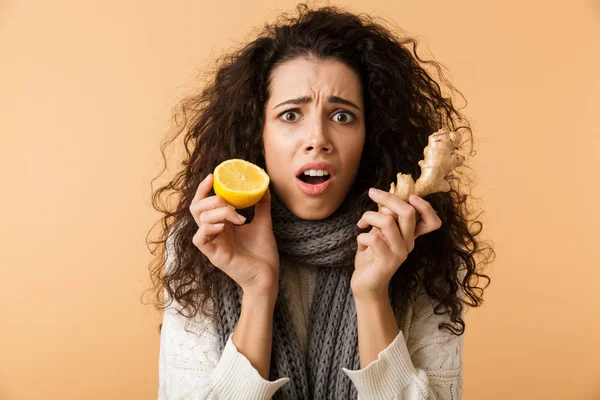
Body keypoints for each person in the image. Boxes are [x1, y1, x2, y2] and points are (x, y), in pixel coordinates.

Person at [148, 3, 493, 399]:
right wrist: (258, 291)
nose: (318, 138)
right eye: (290, 114)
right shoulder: (205, 243)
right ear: (257, 133)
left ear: (372, 136)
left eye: (343, 116)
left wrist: (373, 294)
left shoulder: (420, 245)